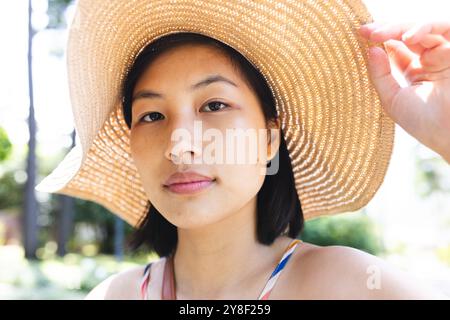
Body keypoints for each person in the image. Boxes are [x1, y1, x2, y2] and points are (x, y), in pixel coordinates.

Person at [35, 0, 449, 299]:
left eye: (214, 105)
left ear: (269, 141)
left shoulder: (349, 284)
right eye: (152, 115)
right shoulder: (114, 296)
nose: (181, 146)